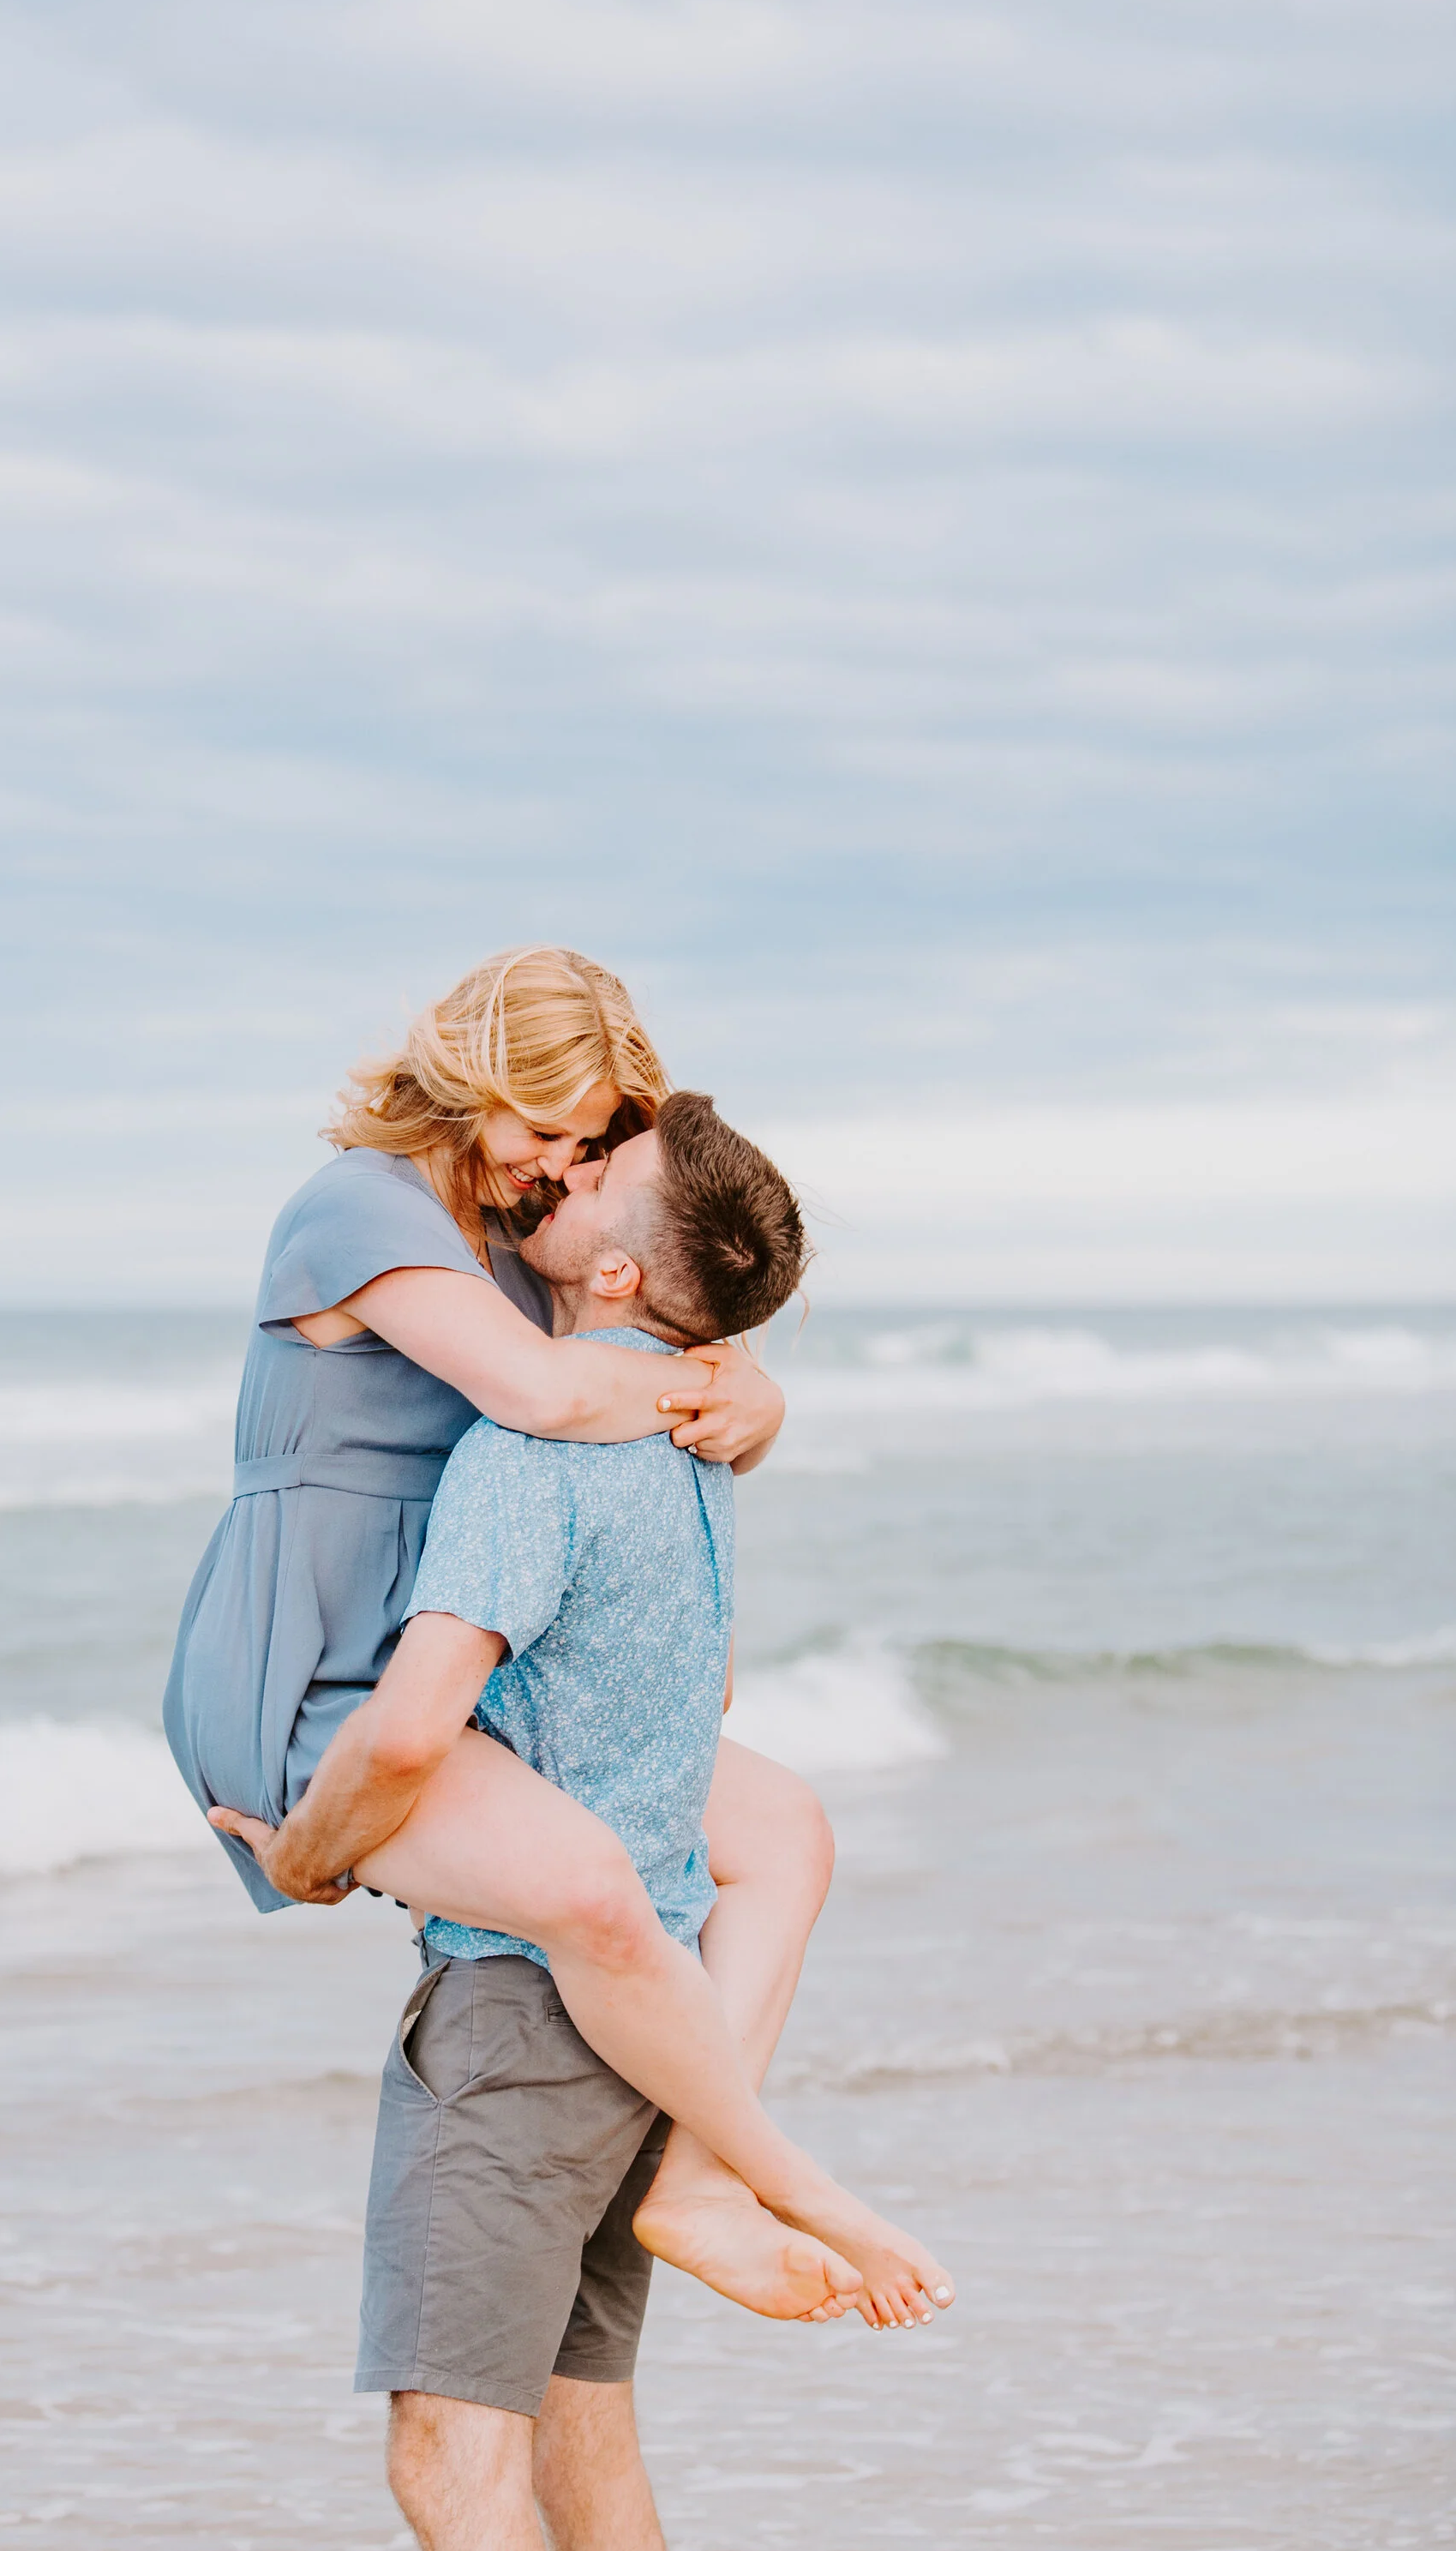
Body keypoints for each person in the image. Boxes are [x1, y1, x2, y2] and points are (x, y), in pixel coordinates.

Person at [261, 1091, 954, 2551]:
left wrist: (305, 1857)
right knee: (585, 2453)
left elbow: (408, 1736)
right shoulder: (691, 1446)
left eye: (588, 1185)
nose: (549, 1186)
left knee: (447, 2460)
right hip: (637, 2021)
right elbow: (702, 1700)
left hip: (517, 2013)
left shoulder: (530, 1446)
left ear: (623, 1273)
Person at [169, 944, 936, 2318]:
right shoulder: (359, 1210)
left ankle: (702, 2176)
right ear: (463, 1084)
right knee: (594, 1891)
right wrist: (729, 1392)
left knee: (784, 1836)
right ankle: (797, 2182)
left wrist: (749, 1387)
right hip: (325, 1666)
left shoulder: (521, 1235)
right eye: (539, 1129)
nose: (554, 1164)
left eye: (588, 1142)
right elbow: (548, 1389)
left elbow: (641, 1316)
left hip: (473, 1668)